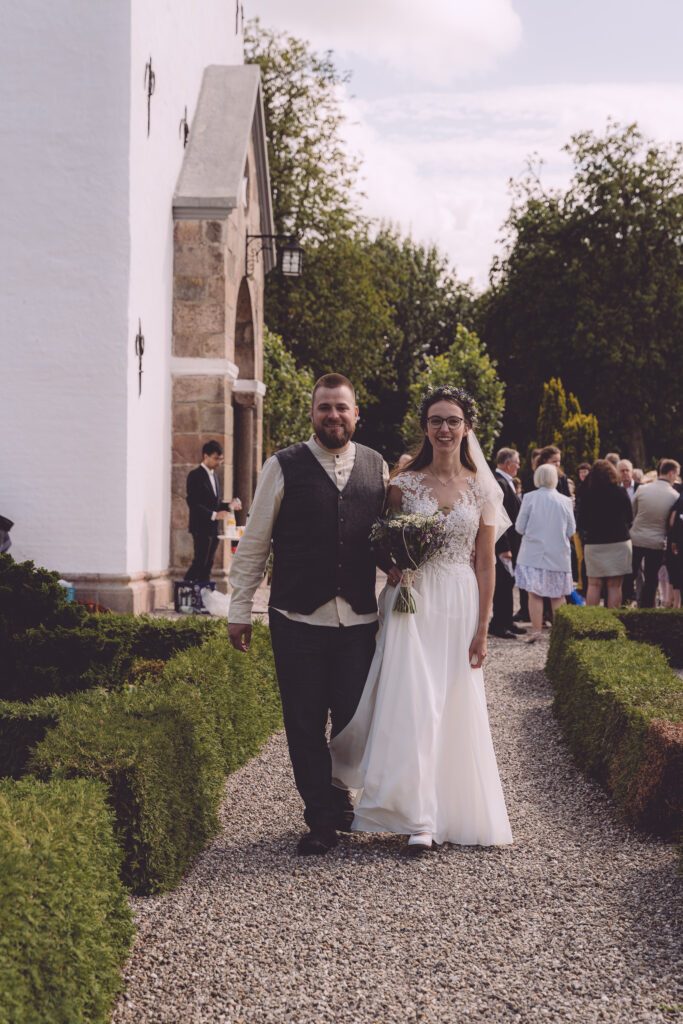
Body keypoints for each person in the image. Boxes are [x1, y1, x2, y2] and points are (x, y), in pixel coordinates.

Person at [330, 385, 513, 856]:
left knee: (453, 701)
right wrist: (390, 565)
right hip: (411, 598)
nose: (445, 429)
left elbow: (486, 562)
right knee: (414, 702)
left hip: (459, 599)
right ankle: (418, 816)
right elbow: (379, 540)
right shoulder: (403, 483)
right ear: (425, 427)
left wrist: (483, 627)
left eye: (453, 420)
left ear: (467, 427)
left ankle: (450, 809)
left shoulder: (482, 488)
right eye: (436, 420)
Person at [228, 374, 389, 856]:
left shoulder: (378, 467)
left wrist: (405, 566)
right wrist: (239, 609)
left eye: (342, 408)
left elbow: (384, 541)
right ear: (312, 413)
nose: (333, 416)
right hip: (297, 618)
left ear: (356, 414)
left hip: (359, 619)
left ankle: (340, 797)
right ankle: (320, 817)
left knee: (352, 721)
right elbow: (254, 542)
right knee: (303, 722)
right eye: (325, 408)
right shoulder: (282, 466)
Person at [514, 464, 576, 643]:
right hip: (559, 555)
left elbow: (519, 527)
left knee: (535, 594)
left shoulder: (529, 498)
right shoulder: (565, 501)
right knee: (558, 595)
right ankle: (559, 633)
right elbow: (571, 530)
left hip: (533, 554)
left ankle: (536, 631)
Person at [576, 459, 633, 608]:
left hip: (594, 543)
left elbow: (580, 521)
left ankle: (592, 622)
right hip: (619, 541)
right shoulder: (620, 492)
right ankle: (612, 620)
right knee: (614, 586)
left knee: (594, 585)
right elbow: (629, 517)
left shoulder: (586, 494)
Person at [184, 441, 241, 582]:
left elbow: (215, 503)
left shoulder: (215, 476)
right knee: (199, 562)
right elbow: (193, 503)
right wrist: (214, 515)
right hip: (200, 527)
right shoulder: (195, 475)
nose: (219, 463)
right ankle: (184, 593)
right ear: (206, 456)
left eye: (220, 459)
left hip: (213, 529)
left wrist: (230, 505)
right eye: (216, 459)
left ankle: (203, 597)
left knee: (208, 564)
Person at [631, 459, 680, 607]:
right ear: (671, 473)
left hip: (636, 538)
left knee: (630, 574)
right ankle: (647, 609)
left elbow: (632, 511)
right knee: (651, 578)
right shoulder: (674, 496)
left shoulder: (642, 489)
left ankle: (625, 604)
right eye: (676, 475)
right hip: (657, 542)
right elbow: (672, 522)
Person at [489, 447, 525, 638]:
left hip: (512, 542)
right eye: (517, 462)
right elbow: (497, 517)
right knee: (502, 584)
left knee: (508, 582)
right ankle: (498, 624)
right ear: (508, 464)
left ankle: (507, 620)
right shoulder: (498, 482)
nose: (519, 466)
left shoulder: (505, 481)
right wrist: (504, 547)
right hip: (503, 544)